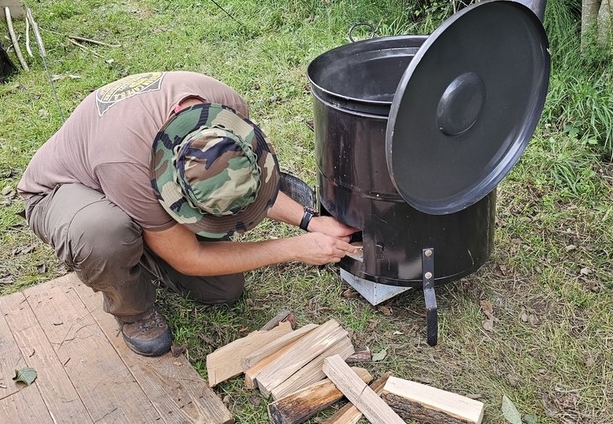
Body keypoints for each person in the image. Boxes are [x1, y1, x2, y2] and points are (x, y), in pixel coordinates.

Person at [18, 71, 360, 356]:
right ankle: (132, 309)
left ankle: (148, 241)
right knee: (104, 234)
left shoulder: (225, 106)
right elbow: (190, 258)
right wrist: (295, 249)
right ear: (170, 182)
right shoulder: (126, 163)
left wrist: (310, 221)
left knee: (222, 289)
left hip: (129, 182)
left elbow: (241, 179)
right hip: (63, 192)